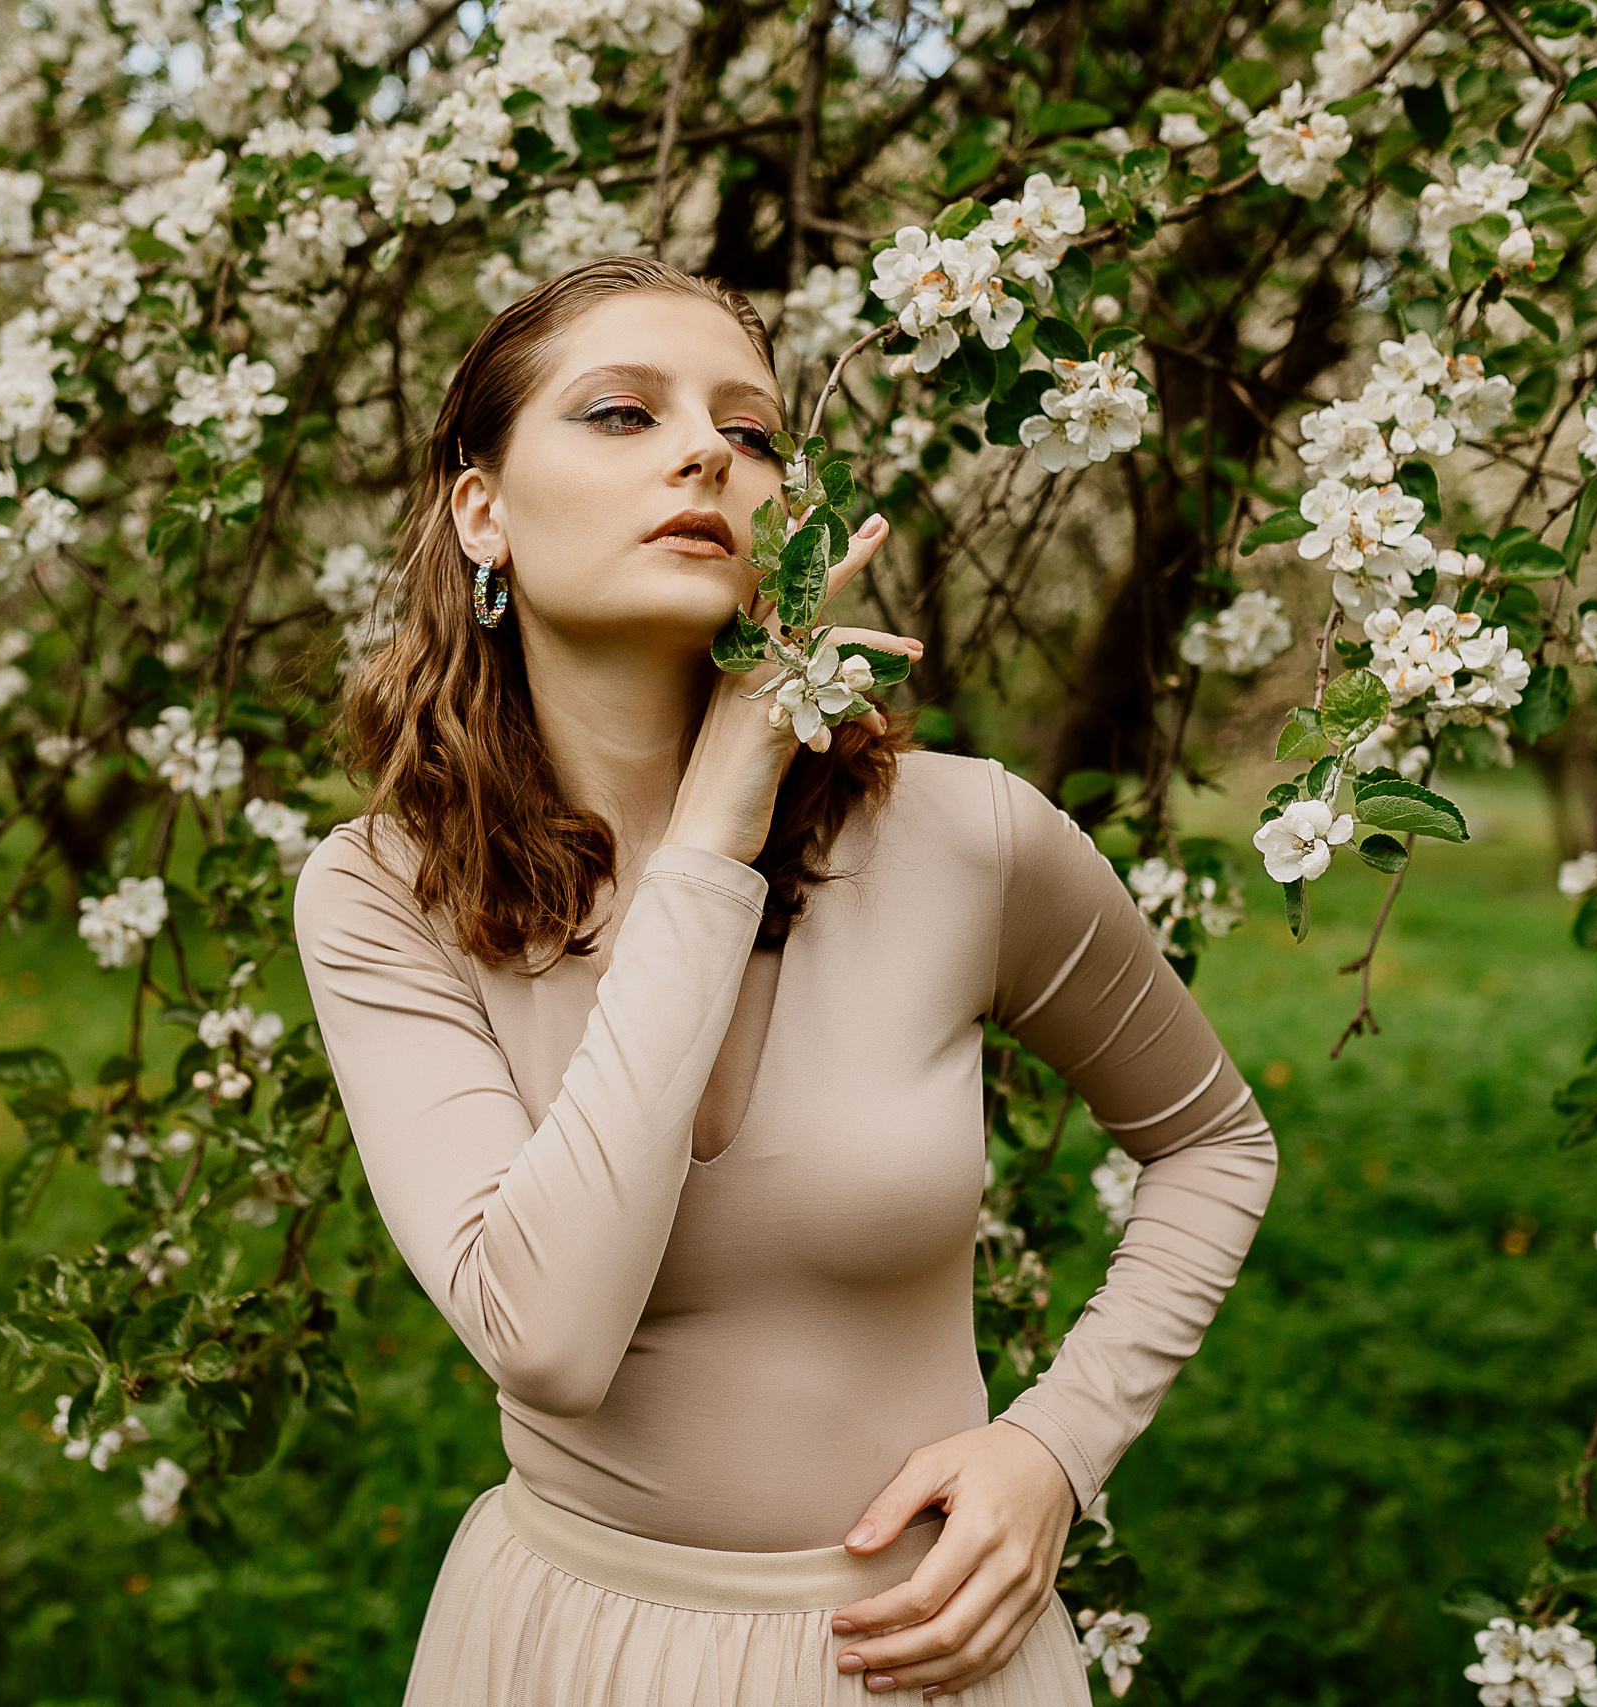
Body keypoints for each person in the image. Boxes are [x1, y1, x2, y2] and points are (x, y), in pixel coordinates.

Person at [293, 255, 1280, 1704]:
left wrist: (1056, 1448)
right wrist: (712, 832)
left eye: (749, 432)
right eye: (623, 412)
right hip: (575, 1650)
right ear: (481, 510)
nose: (706, 448)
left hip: (921, 1659)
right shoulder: (387, 891)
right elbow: (550, 1341)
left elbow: (1213, 1142)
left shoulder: (969, 837)